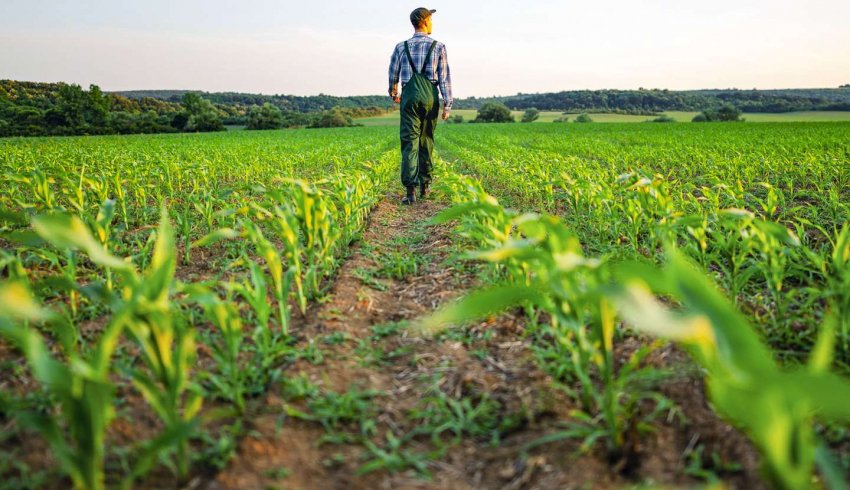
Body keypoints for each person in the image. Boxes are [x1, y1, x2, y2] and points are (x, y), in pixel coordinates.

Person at [388, 7, 452, 204]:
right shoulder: (439, 47)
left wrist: (394, 92)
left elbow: (393, 73)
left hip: (409, 96)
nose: (432, 23)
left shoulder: (401, 47)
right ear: (424, 21)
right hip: (430, 97)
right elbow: (444, 78)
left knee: (409, 142)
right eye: (431, 19)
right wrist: (447, 104)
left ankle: (410, 192)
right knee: (427, 140)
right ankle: (425, 186)